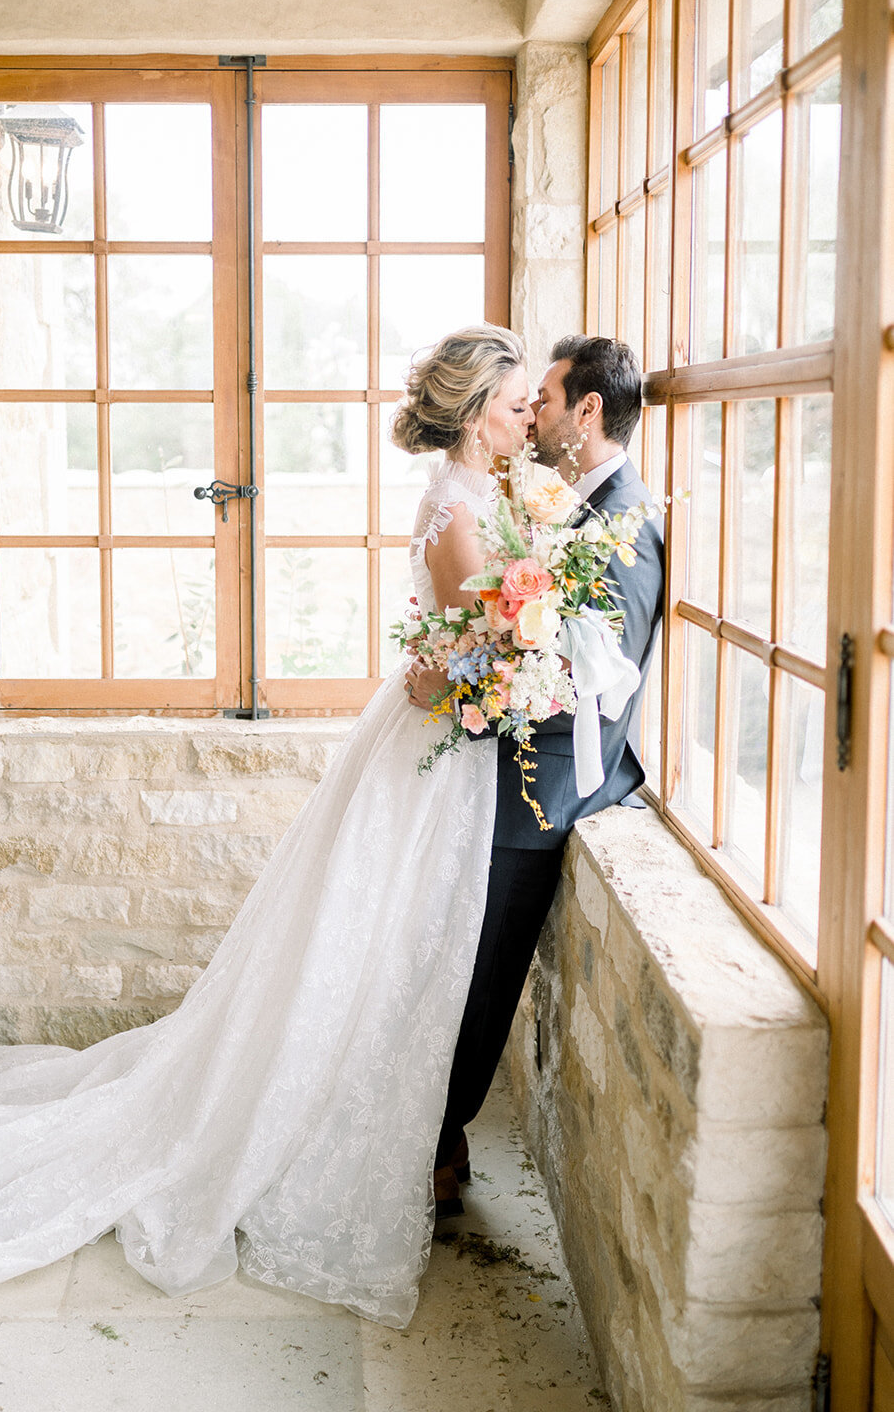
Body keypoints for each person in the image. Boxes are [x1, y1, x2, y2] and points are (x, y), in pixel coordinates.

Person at [0, 325, 531, 1334]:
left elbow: (459, 644)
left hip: (438, 756)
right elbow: (455, 663)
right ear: (473, 412)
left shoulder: (483, 494)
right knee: (383, 952)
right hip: (432, 757)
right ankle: (346, 1131)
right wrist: (525, 646)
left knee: (390, 954)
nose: (523, 417)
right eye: (511, 403)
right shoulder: (456, 508)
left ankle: (397, 1127)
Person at [405, 334, 664, 1216]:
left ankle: (434, 1137)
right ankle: (431, 1137)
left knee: (478, 973)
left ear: (585, 410)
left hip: (539, 782)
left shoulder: (618, 516)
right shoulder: (546, 502)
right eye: (520, 401)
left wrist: (475, 668)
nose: (533, 413)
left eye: (542, 399)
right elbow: (505, 625)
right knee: (465, 970)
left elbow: (604, 680)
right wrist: (463, 665)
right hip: (491, 765)